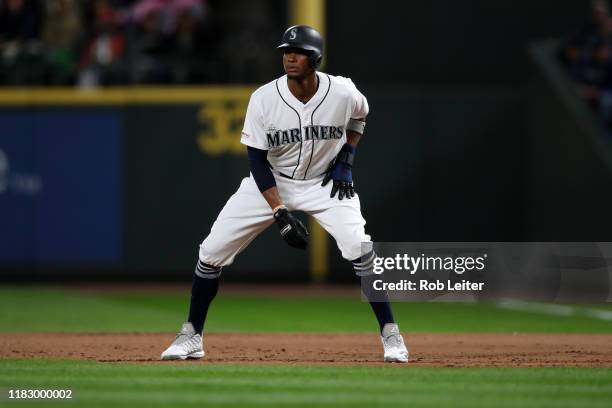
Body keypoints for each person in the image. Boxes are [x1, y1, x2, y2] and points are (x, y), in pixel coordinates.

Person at [160, 25, 409, 363]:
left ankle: (391, 335)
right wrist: (279, 211)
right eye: (286, 52)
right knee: (211, 251)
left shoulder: (343, 92)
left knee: (358, 246)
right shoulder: (263, 98)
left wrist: (347, 159)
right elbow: (256, 161)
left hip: (326, 184)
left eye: (300, 52)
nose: (290, 57)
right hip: (272, 182)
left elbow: (360, 116)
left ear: (315, 58)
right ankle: (192, 335)